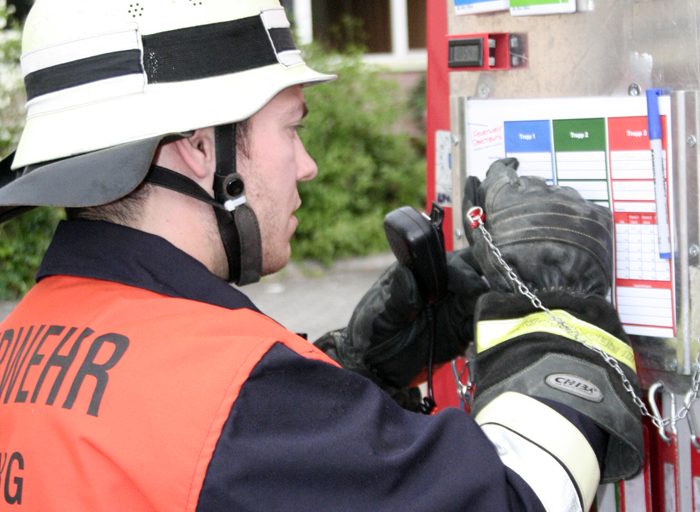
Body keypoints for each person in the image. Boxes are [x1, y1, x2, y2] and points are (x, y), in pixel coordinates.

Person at [0, 1, 643, 510]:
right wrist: (554, 310)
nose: (306, 165)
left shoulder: (23, 338)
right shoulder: (235, 394)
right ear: (198, 147)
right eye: (292, 127)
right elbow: (514, 498)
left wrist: (352, 373)